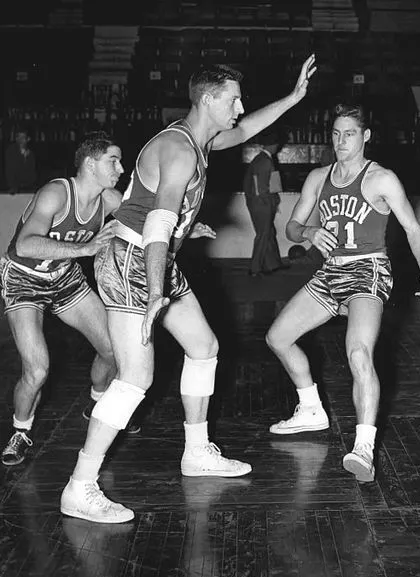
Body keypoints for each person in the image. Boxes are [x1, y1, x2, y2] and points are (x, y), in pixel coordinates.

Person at [60, 55, 317, 523]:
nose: (240, 107)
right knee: (136, 378)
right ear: (208, 99)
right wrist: (157, 289)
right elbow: (158, 222)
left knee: (204, 346)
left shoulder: (202, 139)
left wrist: (294, 98)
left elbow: (242, 133)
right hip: (133, 260)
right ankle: (80, 485)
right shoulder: (178, 149)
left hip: (155, 256)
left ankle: (197, 453)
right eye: (234, 99)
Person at [265, 103, 420, 482]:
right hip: (330, 272)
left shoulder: (381, 179)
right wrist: (309, 233)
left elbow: (412, 228)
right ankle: (310, 408)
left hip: (369, 269)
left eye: (350, 134)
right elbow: (292, 228)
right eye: (336, 133)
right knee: (278, 337)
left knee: (358, 352)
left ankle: (364, 446)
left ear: (366, 137)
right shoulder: (318, 177)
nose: (341, 141)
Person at [0, 132, 124, 466]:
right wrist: (84, 249)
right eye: (113, 160)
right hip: (24, 279)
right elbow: (25, 245)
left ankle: (97, 403)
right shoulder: (56, 192)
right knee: (37, 370)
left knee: (113, 350)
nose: (121, 168)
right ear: (89, 163)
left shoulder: (109, 200)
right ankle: (20, 430)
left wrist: (188, 227)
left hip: (64, 277)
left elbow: (150, 216)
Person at [243, 129, 285, 276]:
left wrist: (274, 200)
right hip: (262, 205)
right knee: (263, 235)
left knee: (269, 233)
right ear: (274, 145)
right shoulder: (265, 161)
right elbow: (261, 189)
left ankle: (273, 265)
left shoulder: (262, 159)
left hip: (260, 203)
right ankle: (254, 268)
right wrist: (271, 203)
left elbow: (268, 185)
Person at [5, 128, 37, 194]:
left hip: (28, 188)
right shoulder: (11, 151)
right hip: (13, 189)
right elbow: (10, 170)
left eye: (23, 138)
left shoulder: (31, 154)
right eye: (18, 137)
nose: (20, 140)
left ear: (28, 139)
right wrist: (12, 187)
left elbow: (32, 172)